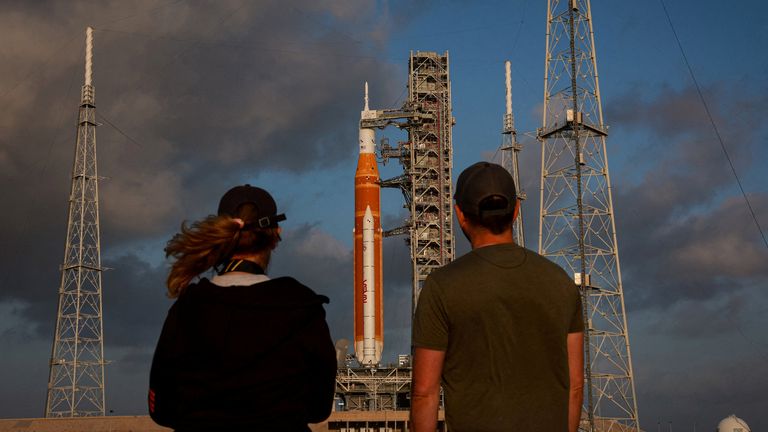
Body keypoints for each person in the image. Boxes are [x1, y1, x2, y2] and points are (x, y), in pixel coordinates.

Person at [410, 162, 585, 432]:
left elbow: (424, 393)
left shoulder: (442, 287)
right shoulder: (561, 282)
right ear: (516, 210)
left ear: (460, 215)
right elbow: (575, 386)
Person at [148, 184, 337, 432]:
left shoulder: (187, 310)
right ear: (275, 236)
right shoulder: (302, 307)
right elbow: (319, 407)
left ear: (223, 234)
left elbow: (162, 409)